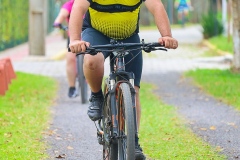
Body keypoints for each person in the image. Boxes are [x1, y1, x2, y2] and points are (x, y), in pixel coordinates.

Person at [69, 0, 178, 159]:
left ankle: (134, 142)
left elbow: (157, 6)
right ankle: (97, 96)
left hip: (129, 36)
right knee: (92, 60)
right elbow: (78, 7)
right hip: (96, 33)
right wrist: (75, 40)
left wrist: (167, 35)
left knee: (134, 90)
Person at [53, 0, 78, 98]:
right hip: (72, 36)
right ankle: (72, 88)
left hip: (88, 35)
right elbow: (62, 14)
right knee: (71, 59)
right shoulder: (70, 4)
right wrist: (57, 22)